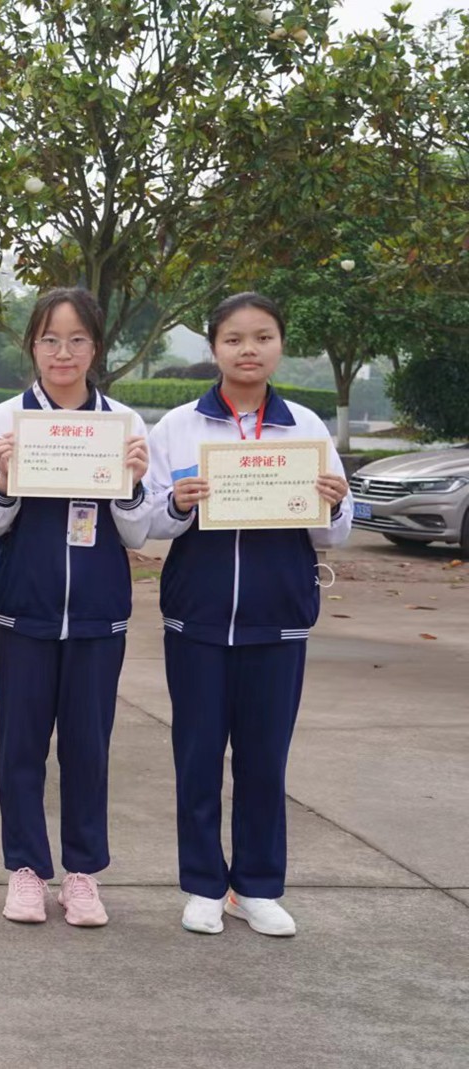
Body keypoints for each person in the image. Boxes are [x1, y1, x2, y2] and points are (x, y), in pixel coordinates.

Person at [145, 292, 352, 937]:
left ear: (280, 344)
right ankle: (204, 886)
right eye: (234, 339)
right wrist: (177, 503)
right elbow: (146, 522)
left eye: (262, 337)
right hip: (197, 620)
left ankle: (256, 887)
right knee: (198, 757)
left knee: (264, 761)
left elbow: (334, 533)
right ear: (214, 348)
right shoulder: (179, 426)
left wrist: (334, 502)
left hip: (277, 619)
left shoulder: (306, 427)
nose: (248, 350)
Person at [0, 287, 152, 927]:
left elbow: (139, 530)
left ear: (96, 347)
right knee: (19, 747)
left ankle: (82, 873)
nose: (63, 353)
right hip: (23, 612)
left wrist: (132, 485)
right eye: (50, 339)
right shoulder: (2, 422)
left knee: (88, 749)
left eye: (77, 340)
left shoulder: (124, 424)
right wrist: (2, 480)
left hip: (99, 615)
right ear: (32, 346)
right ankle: (24, 869)